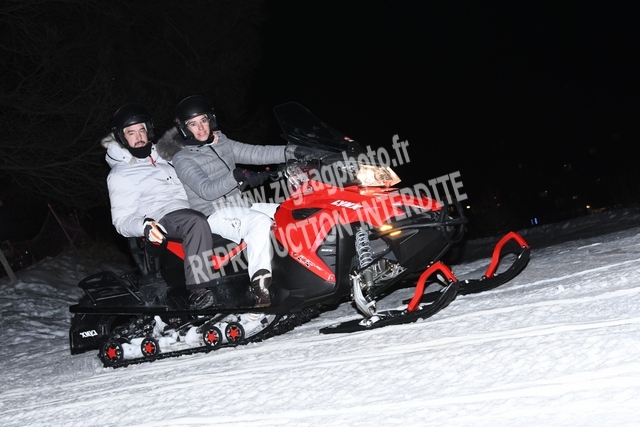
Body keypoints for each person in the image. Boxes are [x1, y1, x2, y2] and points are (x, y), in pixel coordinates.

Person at [157, 95, 299, 308]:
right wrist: (237, 176)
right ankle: (260, 286)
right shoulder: (182, 158)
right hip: (214, 214)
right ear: (184, 129)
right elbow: (206, 190)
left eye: (203, 120)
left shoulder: (221, 142)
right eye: (193, 124)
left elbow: (257, 153)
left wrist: (294, 151)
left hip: (241, 206)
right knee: (259, 222)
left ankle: (299, 272)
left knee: (290, 211)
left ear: (211, 119)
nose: (201, 128)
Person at [102, 103, 217, 310]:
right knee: (195, 222)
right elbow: (121, 220)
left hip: (190, 208)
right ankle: (198, 290)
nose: (139, 136)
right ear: (122, 137)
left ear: (149, 130)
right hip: (163, 217)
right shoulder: (120, 174)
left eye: (142, 130)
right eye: (131, 133)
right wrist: (144, 225)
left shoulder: (165, 157)